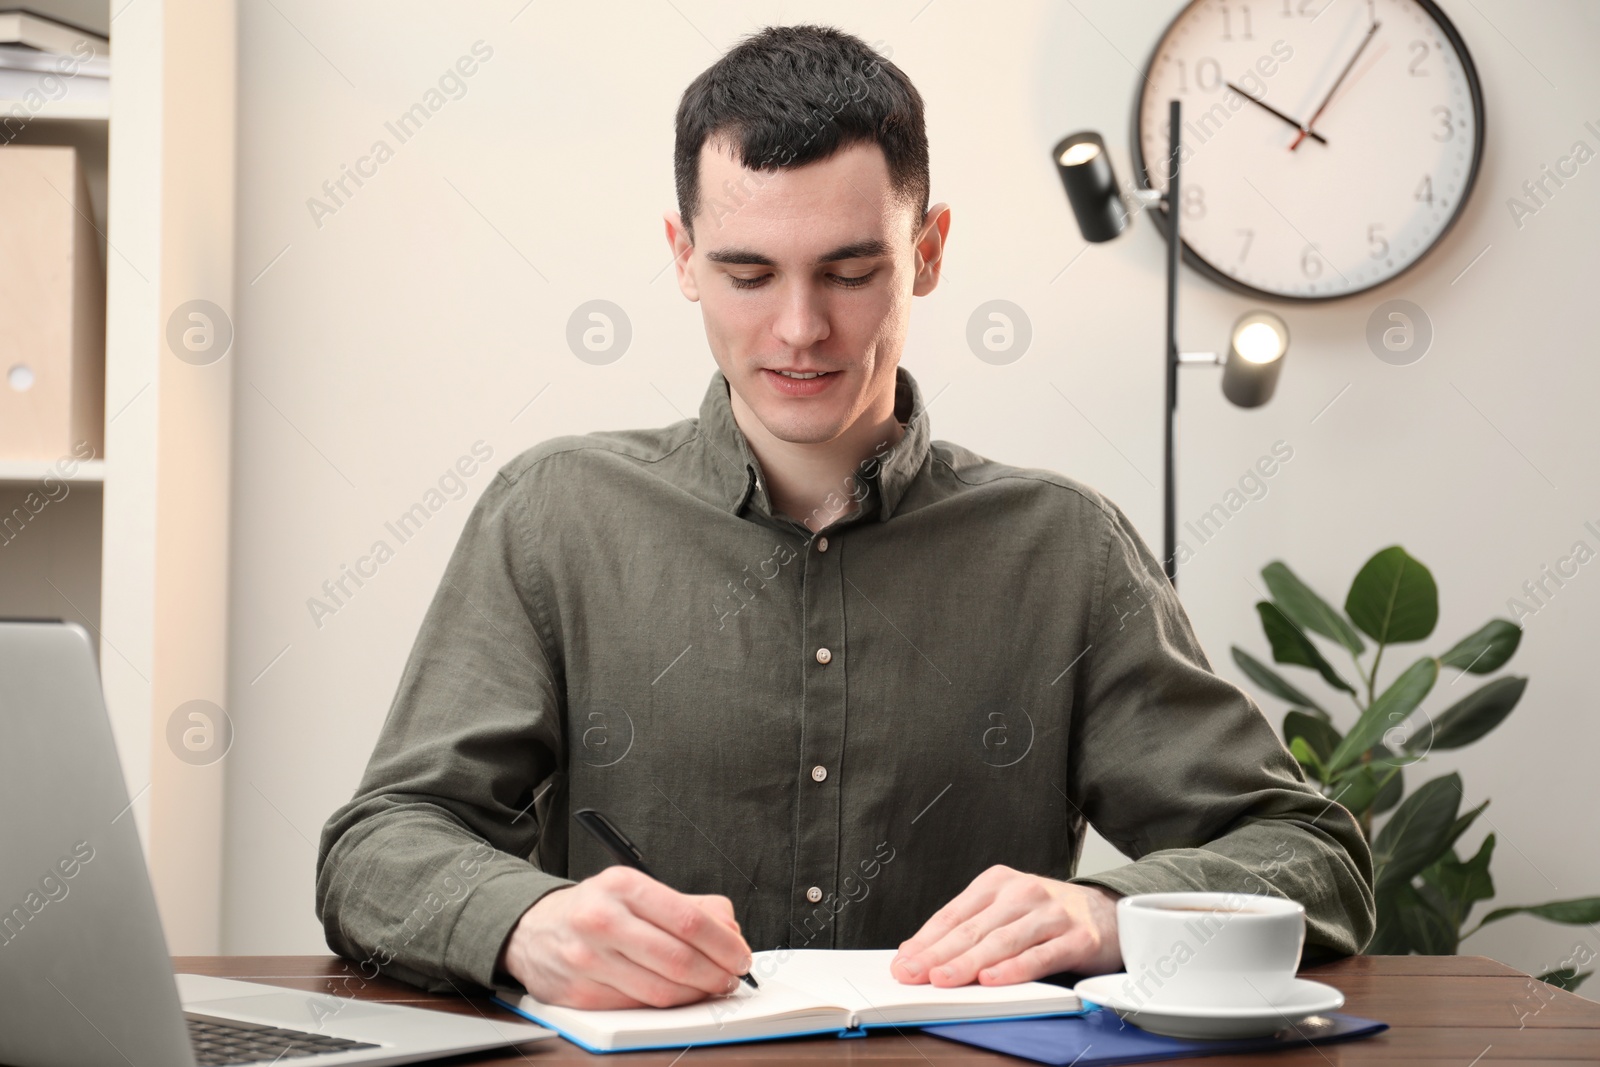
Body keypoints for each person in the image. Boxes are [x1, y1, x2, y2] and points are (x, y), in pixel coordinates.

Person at [316, 23, 1374, 1011]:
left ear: (928, 249)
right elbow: (378, 846)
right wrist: (524, 918)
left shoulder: (1063, 547)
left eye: (850, 269)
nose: (799, 328)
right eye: (745, 271)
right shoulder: (552, 514)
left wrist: (1105, 913)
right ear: (681, 256)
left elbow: (1307, 851)